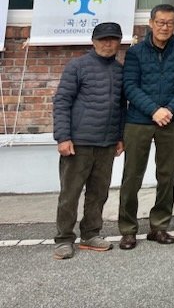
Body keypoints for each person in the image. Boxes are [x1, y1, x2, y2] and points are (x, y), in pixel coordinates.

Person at [118, 4, 174, 250]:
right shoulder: (135, 52)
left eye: (170, 23)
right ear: (151, 23)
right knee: (132, 176)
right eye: (160, 22)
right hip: (138, 121)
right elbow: (129, 86)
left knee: (166, 174)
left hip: (171, 121)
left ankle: (159, 226)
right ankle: (128, 229)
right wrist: (153, 110)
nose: (165, 27)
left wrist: (170, 109)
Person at [52, 22, 125, 260]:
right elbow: (62, 101)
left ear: (119, 42)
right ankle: (64, 239)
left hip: (106, 144)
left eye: (113, 39)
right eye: (103, 39)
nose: (108, 44)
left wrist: (120, 136)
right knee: (70, 194)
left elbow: (121, 107)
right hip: (78, 143)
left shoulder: (119, 70)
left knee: (98, 193)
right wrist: (63, 137)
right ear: (93, 42)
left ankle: (91, 234)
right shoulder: (77, 66)